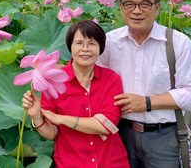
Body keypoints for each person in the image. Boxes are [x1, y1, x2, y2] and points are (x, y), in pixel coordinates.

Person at [97, 0, 191, 168]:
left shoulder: (178, 42)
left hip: (162, 137)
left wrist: (147, 102)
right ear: (121, 8)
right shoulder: (108, 42)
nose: (136, 11)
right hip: (117, 133)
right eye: (129, 4)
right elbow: (93, 81)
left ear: (157, 7)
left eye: (145, 4)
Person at [22, 20, 130, 168]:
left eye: (92, 44)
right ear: (70, 47)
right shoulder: (53, 80)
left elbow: (106, 124)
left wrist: (61, 119)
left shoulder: (111, 79)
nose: (85, 49)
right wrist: (36, 117)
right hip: (70, 162)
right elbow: (51, 133)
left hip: (111, 161)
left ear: (100, 48)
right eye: (79, 43)